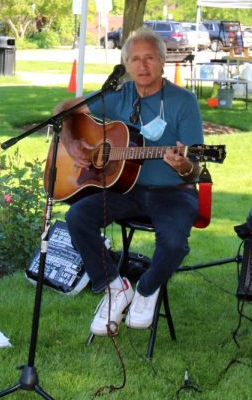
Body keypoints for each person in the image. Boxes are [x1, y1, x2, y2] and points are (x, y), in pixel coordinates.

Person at [56, 27, 203, 337]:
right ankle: (114, 286)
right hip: (127, 190)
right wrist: (71, 144)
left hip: (173, 192)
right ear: (126, 64)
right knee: (77, 216)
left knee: (175, 244)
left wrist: (183, 164)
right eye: (135, 59)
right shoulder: (116, 96)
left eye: (150, 58)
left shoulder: (183, 102)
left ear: (163, 62)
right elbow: (63, 110)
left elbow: (195, 170)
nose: (142, 65)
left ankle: (147, 289)